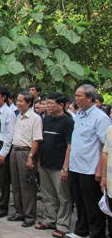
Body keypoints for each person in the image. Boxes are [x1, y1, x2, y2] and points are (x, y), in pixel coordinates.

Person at [67, 84, 111, 238]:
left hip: (91, 168)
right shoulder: (79, 114)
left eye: (79, 96)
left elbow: (105, 146)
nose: (76, 99)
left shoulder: (100, 118)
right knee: (79, 202)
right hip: (76, 166)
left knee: (92, 204)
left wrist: (100, 169)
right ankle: (81, 230)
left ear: (90, 98)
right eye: (76, 95)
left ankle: (97, 233)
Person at [35, 92, 74, 238]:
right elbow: (42, 141)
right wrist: (39, 161)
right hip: (45, 163)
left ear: (62, 105)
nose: (48, 106)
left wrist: (65, 167)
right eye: (47, 103)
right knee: (48, 194)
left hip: (59, 166)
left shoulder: (68, 122)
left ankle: (63, 225)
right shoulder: (47, 119)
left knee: (62, 196)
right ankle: (50, 219)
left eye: (51, 103)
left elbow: (69, 146)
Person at [8, 90, 43, 227]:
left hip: (26, 152)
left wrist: (30, 157)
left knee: (27, 186)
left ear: (29, 103)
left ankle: (29, 215)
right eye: (17, 100)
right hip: (15, 150)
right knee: (15, 184)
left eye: (21, 101)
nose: (18, 103)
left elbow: (36, 140)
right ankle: (19, 212)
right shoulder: (18, 116)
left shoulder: (35, 118)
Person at [0, 85, 16, 219]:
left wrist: (3, 153)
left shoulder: (9, 113)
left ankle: (2, 206)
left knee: (3, 180)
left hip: (2, 146)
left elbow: (9, 134)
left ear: (4, 97)